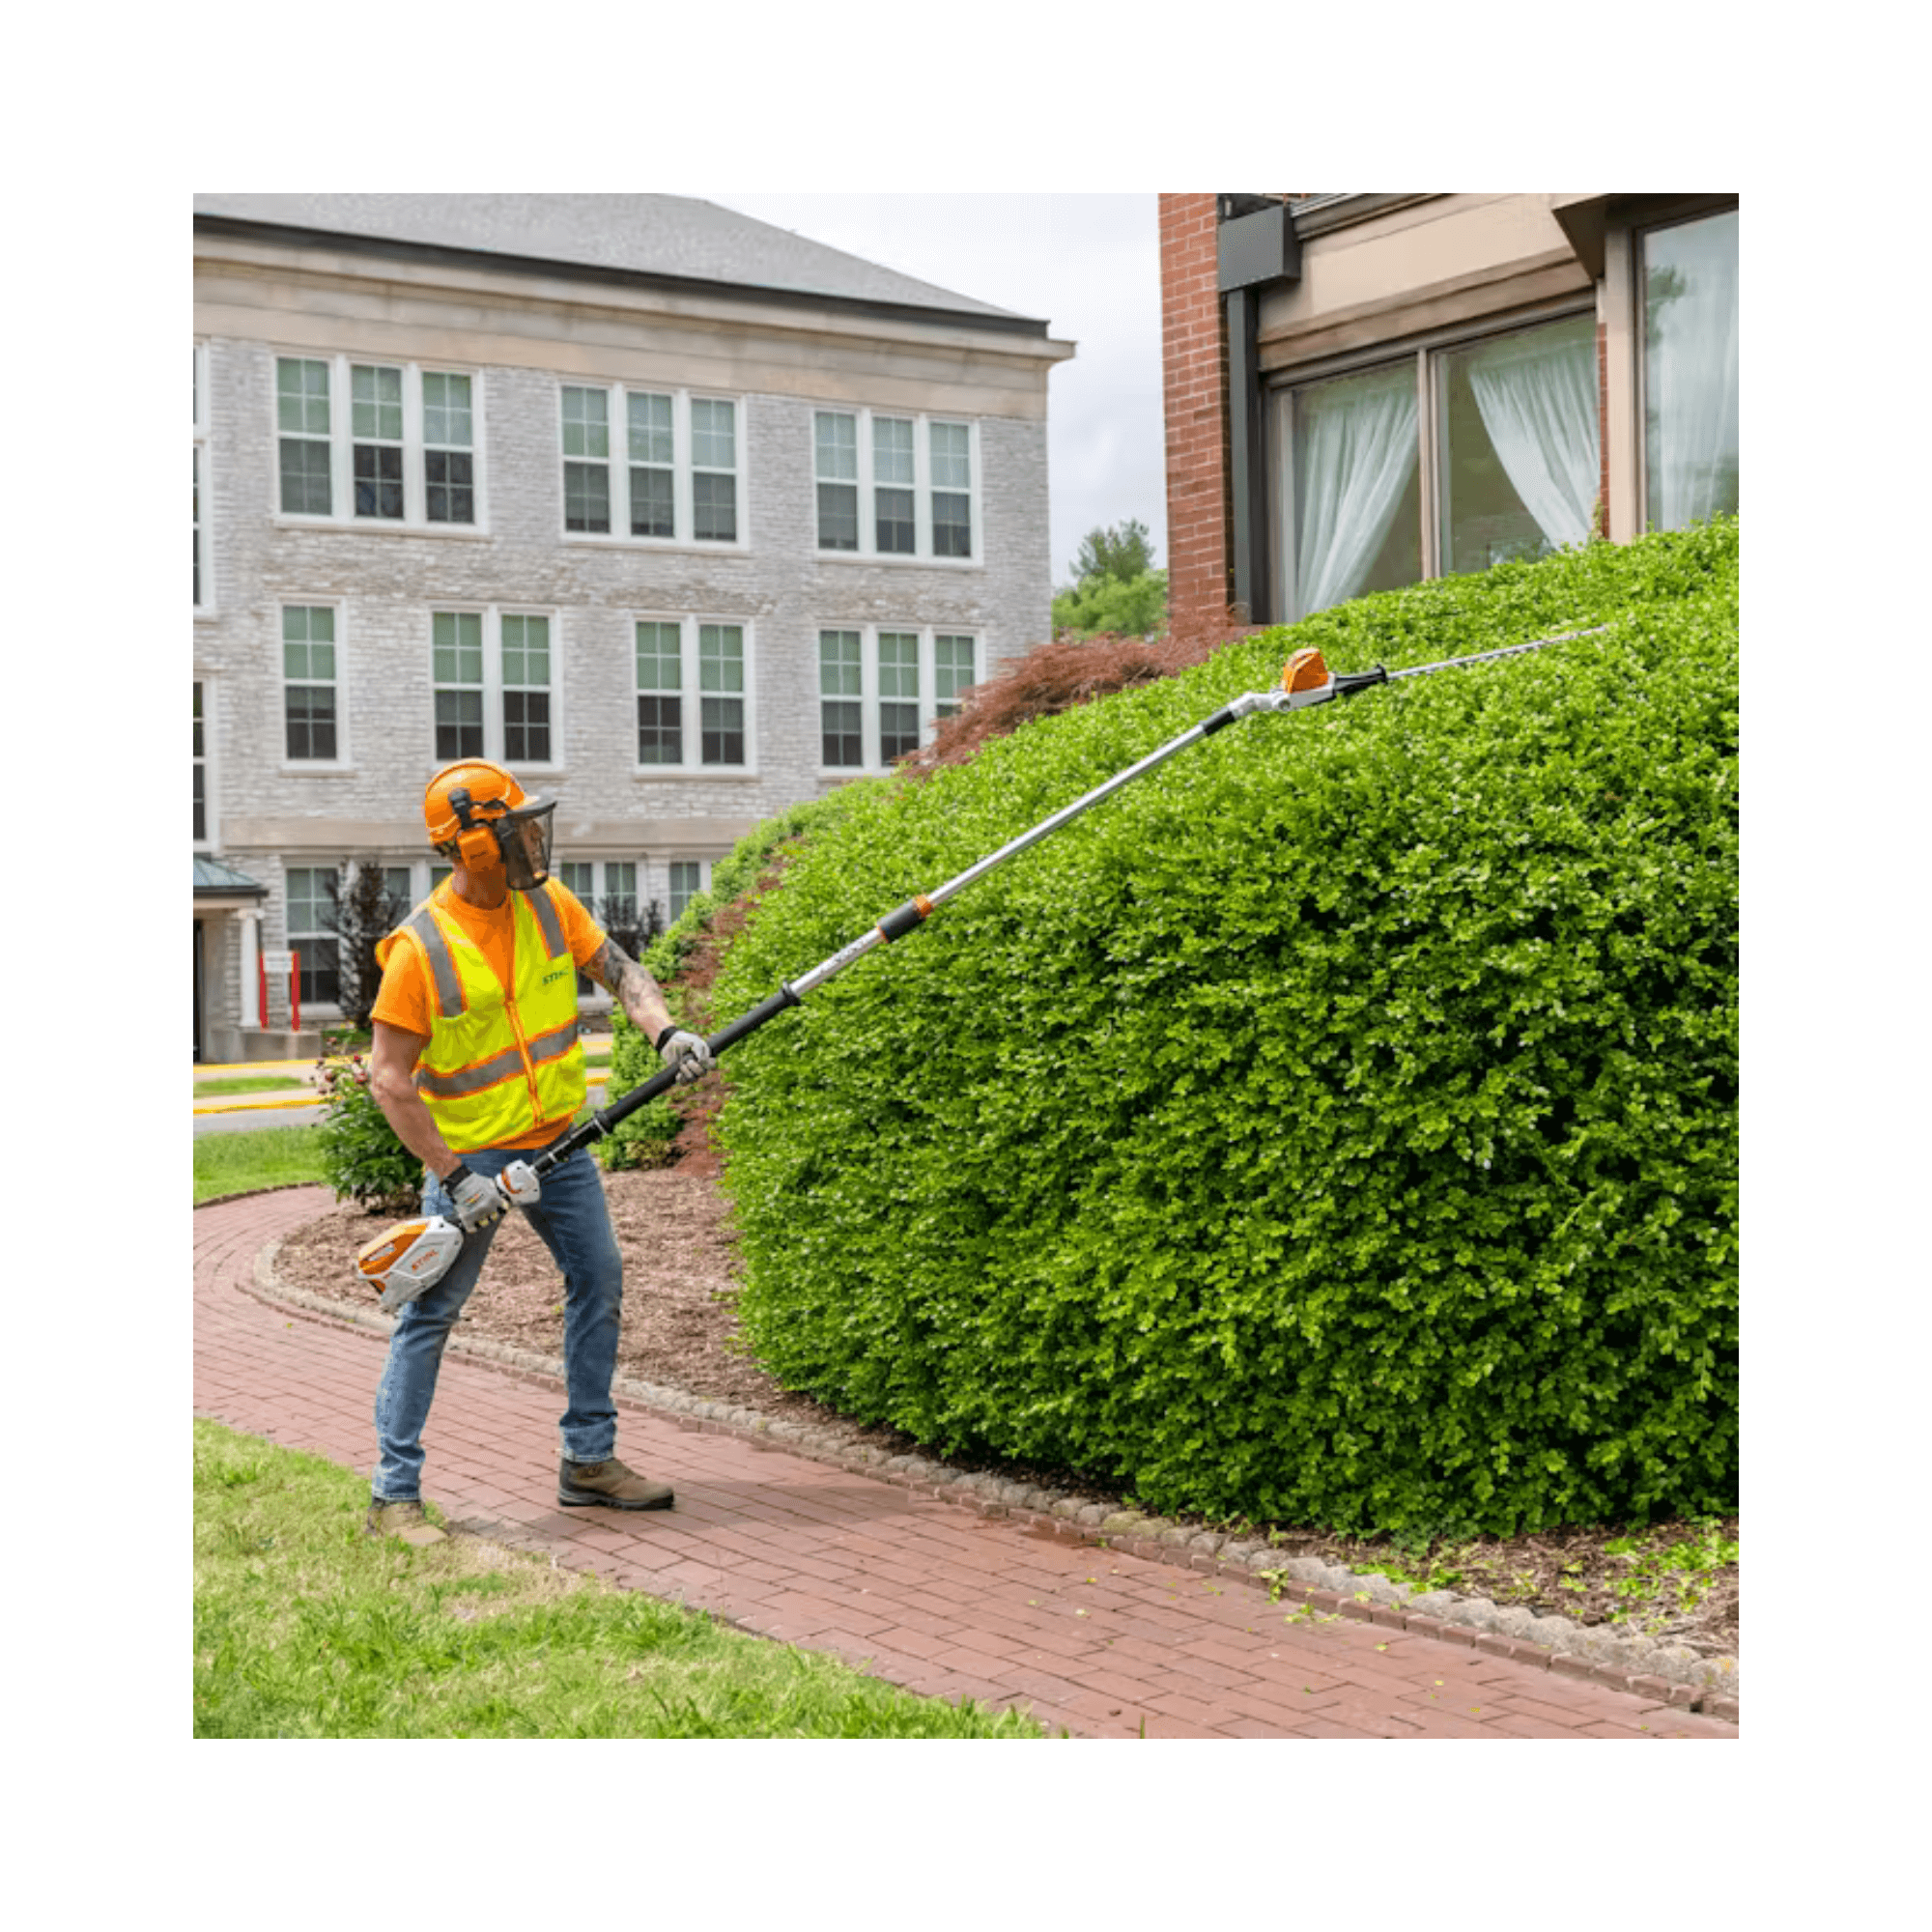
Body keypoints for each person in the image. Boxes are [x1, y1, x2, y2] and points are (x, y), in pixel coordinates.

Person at [361, 758, 713, 1547]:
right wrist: (455, 1179)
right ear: (472, 845)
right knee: (431, 1314)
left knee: (600, 1278)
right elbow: (388, 1081)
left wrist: (666, 1032)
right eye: (515, 825)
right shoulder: (421, 948)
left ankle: (589, 1460)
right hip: (473, 1162)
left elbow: (619, 970)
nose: (532, 837)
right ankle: (394, 1497)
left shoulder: (547, 902)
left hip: (560, 1141)